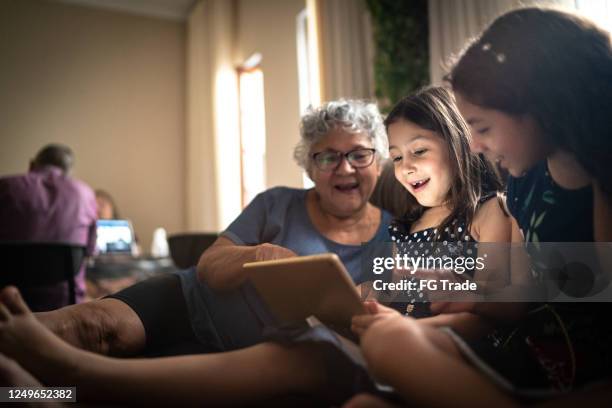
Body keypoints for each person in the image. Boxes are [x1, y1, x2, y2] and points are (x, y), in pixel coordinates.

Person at [0, 99, 396, 405]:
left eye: (359, 154)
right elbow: (209, 266)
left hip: (266, 347)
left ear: (377, 161)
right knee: (93, 326)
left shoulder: (396, 238)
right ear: (310, 167)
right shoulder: (275, 203)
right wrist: (256, 255)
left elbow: (383, 324)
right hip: (191, 299)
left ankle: (32, 396)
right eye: (328, 156)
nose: (344, 168)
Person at [346, 8, 612, 407]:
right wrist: (465, 295)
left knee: (390, 344)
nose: (474, 147)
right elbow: (518, 297)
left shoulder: (601, 181)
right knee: (375, 372)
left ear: (541, 107)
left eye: (483, 128)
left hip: (582, 379)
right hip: (530, 364)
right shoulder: (524, 185)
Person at [0, 144, 97, 310]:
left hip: (8, 304)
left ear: (32, 165)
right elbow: (90, 252)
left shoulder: (5, 187)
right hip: (65, 307)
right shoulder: (84, 193)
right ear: (68, 172)